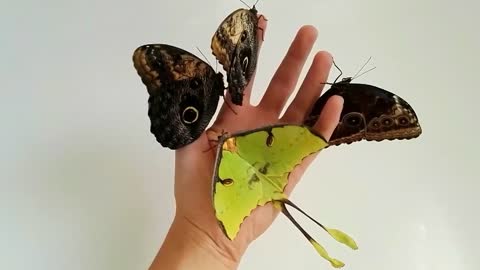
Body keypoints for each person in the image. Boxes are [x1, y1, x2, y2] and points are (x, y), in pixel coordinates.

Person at [149, 17, 344, 270]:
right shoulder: (219, 155)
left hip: (250, 179)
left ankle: (323, 239)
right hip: (248, 182)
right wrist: (205, 238)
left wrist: (205, 241)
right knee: (291, 210)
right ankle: (324, 240)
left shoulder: (228, 146)